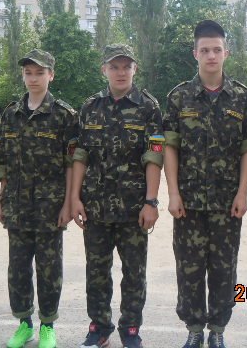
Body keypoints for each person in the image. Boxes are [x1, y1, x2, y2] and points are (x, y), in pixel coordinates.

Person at [163, 20, 247, 348]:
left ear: (226, 53)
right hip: (188, 201)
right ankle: (194, 328)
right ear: (195, 54)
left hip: (226, 202)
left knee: (223, 268)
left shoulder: (242, 98)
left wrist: (243, 193)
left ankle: (217, 328)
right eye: (205, 50)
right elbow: (170, 148)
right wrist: (173, 193)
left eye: (217, 49)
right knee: (189, 267)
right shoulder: (179, 97)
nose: (211, 56)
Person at [71, 44, 164, 348]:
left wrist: (151, 201)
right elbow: (81, 155)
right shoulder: (90, 107)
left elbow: (154, 155)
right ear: (104, 70)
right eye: (114, 66)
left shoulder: (149, 107)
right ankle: (99, 328)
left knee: (134, 273)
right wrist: (74, 198)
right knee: (96, 271)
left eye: (126, 66)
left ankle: (130, 329)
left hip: (133, 208)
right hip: (95, 206)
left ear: (135, 69)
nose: (121, 72)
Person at [0, 49, 78, 348]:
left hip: (50, 207)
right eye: (28, 73)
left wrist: (68, 203)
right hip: (17, 205)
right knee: (18, 268)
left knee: (48, 268)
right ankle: (24, 324)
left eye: (40, 73)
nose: (33, 78)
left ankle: (47, 325)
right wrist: (2, 200)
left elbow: (71, 164)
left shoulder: (65, 115)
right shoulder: (11, 114)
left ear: (51, 75)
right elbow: (4, 161)